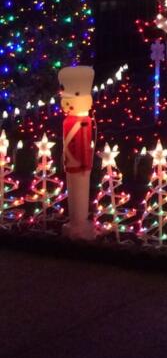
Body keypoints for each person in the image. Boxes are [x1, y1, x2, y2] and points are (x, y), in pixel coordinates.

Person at [59, 65, 96, 240]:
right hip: (71, 163)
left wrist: (84, 163)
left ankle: (80, 222)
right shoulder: (68, 121)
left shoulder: (85, 122)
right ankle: (74, 220)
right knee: (73, 191)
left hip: (80, 164)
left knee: (80, 192)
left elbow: (84, 145)